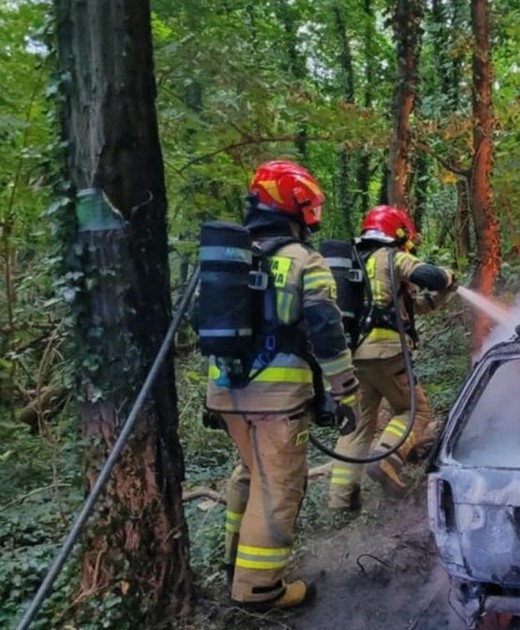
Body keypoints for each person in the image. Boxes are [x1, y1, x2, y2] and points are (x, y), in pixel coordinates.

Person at [207, 160, 358, 609]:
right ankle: (259, 590)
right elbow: (326, 328)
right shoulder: (302, 260)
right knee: (279, 488)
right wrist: (344, 390)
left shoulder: (231, 257)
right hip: (278, 400)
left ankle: (235, 560)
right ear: (297, 208)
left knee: (251, 473)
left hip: (225, 392)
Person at [327, 204, 455, 510]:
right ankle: (387, 459)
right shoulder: (392, 257)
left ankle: (341, 502)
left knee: (357, 427)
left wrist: (442, 296)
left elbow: (406, 310)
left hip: (355, 358)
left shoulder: (354, 264)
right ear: (398, 234)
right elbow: (430, 276)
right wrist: (448, 277)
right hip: (387, 353)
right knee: (415, 411)